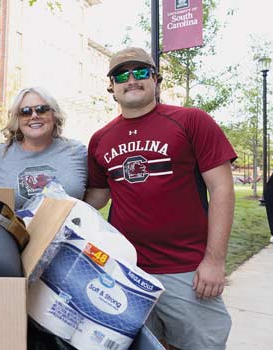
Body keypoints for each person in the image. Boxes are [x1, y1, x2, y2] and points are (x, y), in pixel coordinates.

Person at [85, 47, 237, 350]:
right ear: (112, 88)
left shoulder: (192, 121)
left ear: (156, 79)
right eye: (121, 74)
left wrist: (214, 261)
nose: (131, 79)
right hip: (128, 270)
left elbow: (222, 190)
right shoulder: (100, 139)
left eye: (140, 71)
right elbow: (98, 198)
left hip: (186, 268)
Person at [0, 87, 87, 209]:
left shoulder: (77, 152)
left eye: (41, 109)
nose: (34, 116)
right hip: (13, 228)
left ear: (54, 114)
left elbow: (98, 191)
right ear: (17, 118)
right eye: (25, 112)